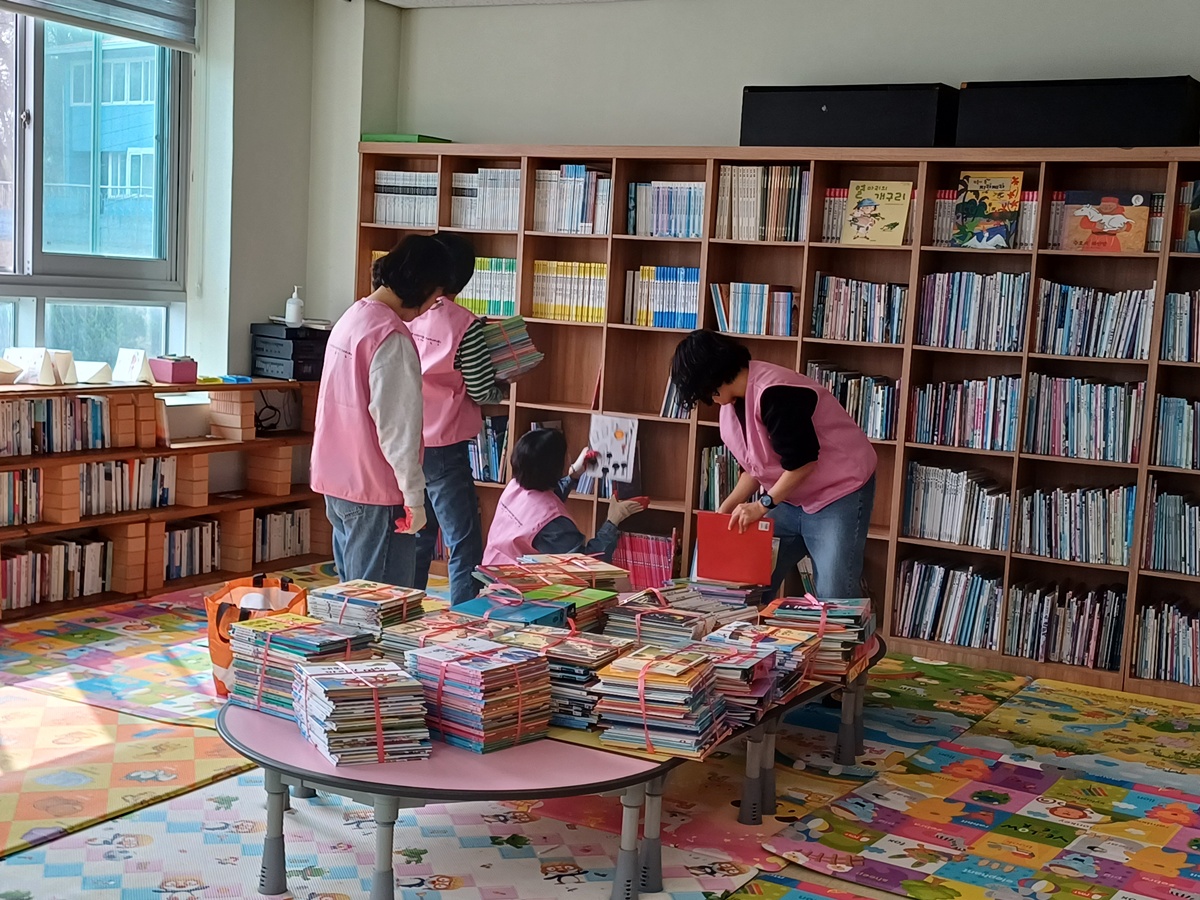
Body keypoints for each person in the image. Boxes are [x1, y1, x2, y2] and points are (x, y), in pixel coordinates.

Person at [669, 330, 876, 598]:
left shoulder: (776, 393)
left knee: (834, 593)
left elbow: (802, 462)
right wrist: (725, 508)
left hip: (838, 492)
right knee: (747, 581)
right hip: (789, 497)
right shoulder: (731, 406)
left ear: (710, 381)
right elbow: (756, 468)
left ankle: (855, 626)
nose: (706, 401)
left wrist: (761, 505)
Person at [310, 234, 445, 585]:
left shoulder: (352, 318)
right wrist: (415, 499)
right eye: (435, 298)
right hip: (375, 489)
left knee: (352, 593)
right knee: (379, 602)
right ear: (422, 288)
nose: (430, 308)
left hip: (338, 480)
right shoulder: (391, 337)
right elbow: (398, 429)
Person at [409, 232, 505, 605]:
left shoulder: (408, 313)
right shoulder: (466, 325)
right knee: (463, 539)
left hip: (409, 442)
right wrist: (502, 386)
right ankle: (465, 617)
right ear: (463, 279)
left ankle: (405, 610)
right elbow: (481, 391)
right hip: (446, 445)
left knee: (418, 533)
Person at [482, 428, 643, 565]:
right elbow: (586, 565)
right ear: (555, 465)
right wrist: (612, 521)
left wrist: (573, 475)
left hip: (493, 571)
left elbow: (540, 504)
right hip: (518, 586)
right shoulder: (554, 523)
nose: (569, 456)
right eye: (566, 453)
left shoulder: (515, 486)